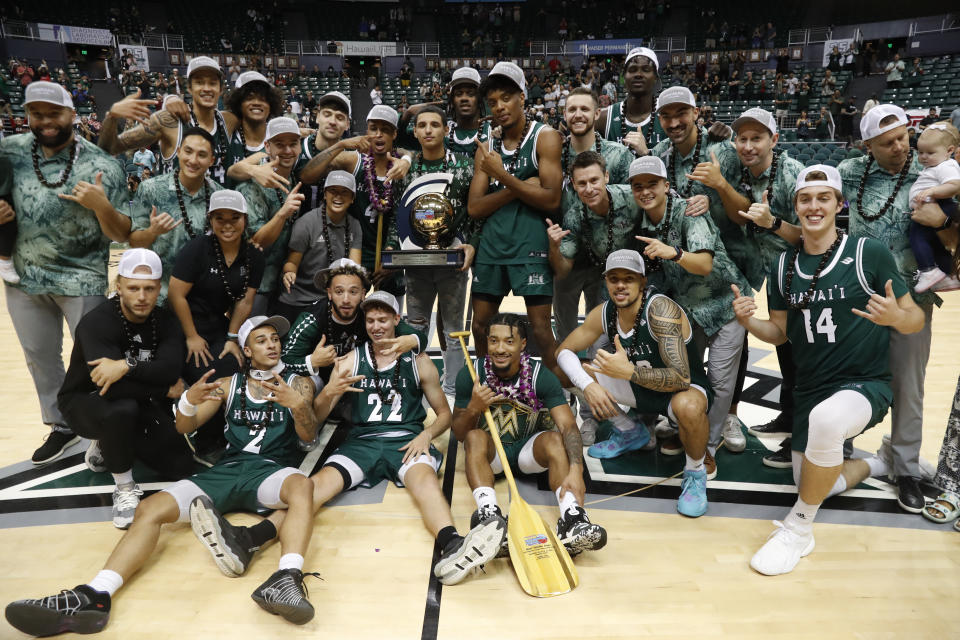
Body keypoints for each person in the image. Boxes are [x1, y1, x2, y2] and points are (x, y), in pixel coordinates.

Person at [4, 316, 324, 635]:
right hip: (228, 470)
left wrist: (298, 406)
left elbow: (308, 439)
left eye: (275, 339)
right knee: (149, 508)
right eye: (262, 340)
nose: (272, 344)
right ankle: (95, 595)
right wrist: (187, 402)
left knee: (302, 486)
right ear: (247, 351)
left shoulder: (299, 384)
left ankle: (287, 577)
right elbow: (185, 427)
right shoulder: (229, 385)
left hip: (271, 471)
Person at [193, 291, 507, 587]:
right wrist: (331, 391)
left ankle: (452, 543)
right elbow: (315, 418)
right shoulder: (348, 361)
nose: (376, 326)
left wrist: (426, 434)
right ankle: (249, 539)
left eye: (383, 319)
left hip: (406, 438)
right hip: (361, 443)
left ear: (397, 320)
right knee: (313, 489)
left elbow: (444, 415)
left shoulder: (419, 360)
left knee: (424, 482)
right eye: (370, 320)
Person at [731, 164, 924, 575]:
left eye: (824, 198)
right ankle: (879, 463)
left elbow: (915, 320)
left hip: (864, 384)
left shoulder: (867, 253)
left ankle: (798, 530)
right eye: (806, 199)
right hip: (811, 389)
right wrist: (749, 323)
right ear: (795, 206)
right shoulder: (782, 266)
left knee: (826, 425)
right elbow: (779, 334)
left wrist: (894, 317)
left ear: (839, 204)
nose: (814, 206)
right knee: (816, 483)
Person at [1, 81, 130, 465]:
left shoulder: (101, 164)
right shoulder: (9, 152)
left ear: (72, 115)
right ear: (26, 117)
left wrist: (101, 205)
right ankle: (61, 425)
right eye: (37, 114)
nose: (46, 121)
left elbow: (123, 232)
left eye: (54, 113)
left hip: (83, 278)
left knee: (94, 359)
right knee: (40, 356)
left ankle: (102, 427)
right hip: (24, 277)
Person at [838, 104, 947, 513]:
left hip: (912, 300)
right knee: (847, 377)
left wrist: (943, 221)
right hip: (859, 298)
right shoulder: (851, 172)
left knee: (908, 387)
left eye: (903, 136)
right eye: (887, 142)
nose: (900, 146)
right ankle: (840, 445)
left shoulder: (930, 172)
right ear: (868, 146)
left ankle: (905, 469)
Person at [557, 249, 714, 517]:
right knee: (571, 372)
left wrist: (629, 372)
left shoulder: (661, 309)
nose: (620, 285)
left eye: (628, 279)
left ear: (642, 281)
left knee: (687, 406)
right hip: (637, 384)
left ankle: (695, 473)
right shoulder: (604, 312)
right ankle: (630, 430)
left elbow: (681, 377)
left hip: (681, 391)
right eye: (613, 278)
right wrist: (589, 385)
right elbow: (563, 352)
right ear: (605, 281)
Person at [626, 154, 749, 474]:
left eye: (652, 184)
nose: (645, 191)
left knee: (721, 383)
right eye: (638, 186)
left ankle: (707, 447)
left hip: (727, 304)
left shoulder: (689, 212)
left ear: (667, 185)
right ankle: (689, 432)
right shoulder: (641, 222)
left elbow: (704, 263)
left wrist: (674, 252)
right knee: (689, 379)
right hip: (688, 311)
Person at [58, 249, 193, 528]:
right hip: (86, 401)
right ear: (118, 287)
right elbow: (110, 388)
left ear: (159, 289)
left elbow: (169, 369)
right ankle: (124, 487)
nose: (141, 296)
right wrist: (160, 390)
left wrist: (126, 365)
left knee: (180, 464)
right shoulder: (96, 323)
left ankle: (111, 444)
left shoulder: (165, 320)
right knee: (121, 408)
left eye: (149, 288)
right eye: (133, 288)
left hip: (137, 398)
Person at [453, 313, 606, 555]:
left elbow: (567, 426)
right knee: (474, 437)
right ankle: (490, 516)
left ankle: (572, 519)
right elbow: (460, 434)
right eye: (493, 341)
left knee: (555, 439)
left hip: (527, 453)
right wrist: (473, 408)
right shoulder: (471, 375)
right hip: (491, 455)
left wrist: (577, 471)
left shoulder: (541, 376)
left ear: (523, 344)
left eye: (508, 342)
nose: (500, 348)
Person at [468, 62, 563, 371]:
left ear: (523, 97)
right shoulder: (487, 146)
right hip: (492, 248)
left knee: (539, 330)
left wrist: (501, 176)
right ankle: (491, 387)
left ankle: (555, 396)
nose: (499, 107)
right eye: (493, 102)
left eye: (506, 98)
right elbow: (475, 207)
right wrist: (518, 185)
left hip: (530, 247)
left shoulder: (544, 137)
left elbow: (551, 198)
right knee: (480, 327)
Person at [725, 108, 804, 460]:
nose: (748, 146)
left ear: (774, 139)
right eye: (742, 139)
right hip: (763, 270)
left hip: (799, 272)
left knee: (800, 356)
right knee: (784, 350)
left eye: (757, 138)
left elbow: (812, 237)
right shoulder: (737, 170)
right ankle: (788, 415)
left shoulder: (792, 174)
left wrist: (773, 223)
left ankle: (802, 436)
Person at [168, 190, 264, 462]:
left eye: (235, 217)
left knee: (236, 366)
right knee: (208, 372)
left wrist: (232, 337)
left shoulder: (254, 256)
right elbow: (176, 295)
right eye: (219, 217)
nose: (227, 224)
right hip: (182, 324)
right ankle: (205, 442)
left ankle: (229, 433)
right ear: (210, 219)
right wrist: (191, 337)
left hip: (217, 324)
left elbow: (245, 301)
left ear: (245, 219)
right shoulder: (197, 249)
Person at [395, 106, 476, 398]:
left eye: (434, 125)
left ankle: (453, 389)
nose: (428, 130)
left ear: (445, 129)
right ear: (415, 132)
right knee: (415, 327)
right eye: (422, 125)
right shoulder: (405, 167)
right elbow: (397, 213)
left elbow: (473, 211)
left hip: (453, 259)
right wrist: (395, 248)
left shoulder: (465, 166)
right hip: (415, 260)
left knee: (454, 329)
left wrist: (469, 242)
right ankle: (415, 386)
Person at [298, 104, 413, 298]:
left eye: (385, 130)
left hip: (389, 255)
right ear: (366, 130)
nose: (378, 135)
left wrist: (407, 158)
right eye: (373, 128)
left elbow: (404, 218)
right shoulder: (353, 160)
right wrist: (340, 145)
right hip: (353, 252)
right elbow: (307, 176)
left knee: (388, 315)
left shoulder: (401, 168)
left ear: (394, 134)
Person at [279, 258, 424, 386]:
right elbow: (284, 361)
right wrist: (312, 362)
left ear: (363, 294)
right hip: (321, 383)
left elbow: (419, 338)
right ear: (329, 293)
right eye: (339, 292)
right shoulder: (311, 319)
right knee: (303, 386)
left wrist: (411, 340)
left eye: (353, 292)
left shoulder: (370, 315)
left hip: (361, 381)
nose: (346, 300)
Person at [99, 57, 238, 185]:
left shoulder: (228, 120)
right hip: (175, 209)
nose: (207, 88)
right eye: (199, 82)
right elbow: (110, 147)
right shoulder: (167, 120)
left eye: (213, 83)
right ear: (189, 88)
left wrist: (169, 98)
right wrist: (112, 117)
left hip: (218, 209)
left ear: (221, 89)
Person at [128, 128, 223, 301]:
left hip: (204, 300)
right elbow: (134, 242)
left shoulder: (220, 197)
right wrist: (152, 232)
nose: (193, 160)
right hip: (159, 297)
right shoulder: (151, 190)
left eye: (202, 155)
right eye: (188, 151)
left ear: (212, 160)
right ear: (178, 152)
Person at [236, 117, 307, 314]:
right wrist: (282, 213)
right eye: (279, 144)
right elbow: (257, 241)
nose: (287, 150)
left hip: (286, 282)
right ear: (267, 146)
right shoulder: (250, 186)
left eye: (292, 144)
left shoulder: (294, 177)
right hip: (256, 285)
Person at [275, 171, 362, 325]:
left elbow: (354, 268)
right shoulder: (306, 223)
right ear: (325, 194)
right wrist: (289, 273)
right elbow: (292, 262)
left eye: (344, 192)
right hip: (298, 299)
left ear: (353, 198)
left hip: (332, 299)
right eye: (333, 191)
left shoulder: (354, 225)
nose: (338, 196)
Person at [907, 122, 960, 292]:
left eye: (930, 153)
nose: (923, 157)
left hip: (940, 206)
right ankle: (947, 276)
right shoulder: (935, 165)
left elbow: (954, 185)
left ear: (949, 151)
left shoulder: (947, 165)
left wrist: (933, 191)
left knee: (917, 238)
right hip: (934, 207)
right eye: (920, 152)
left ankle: (928, 271)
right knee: (936, 245)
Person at [398, 66, 486, 156]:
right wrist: (408, 113)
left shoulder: (493, 132)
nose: (464, 98)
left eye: (470, 93)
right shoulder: (439, 131)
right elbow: (398, 139)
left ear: (479, 98)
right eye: (458, 94)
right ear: (452, 100)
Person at [597, 47, 666, 155]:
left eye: (646, 70)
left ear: (656, 78)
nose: (638, 74)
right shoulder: (603, 118)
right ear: (624, 77)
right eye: (632, 70)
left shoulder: (668, 116)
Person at [224, 71, 285, 174]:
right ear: (238, 103)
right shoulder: (227, 135)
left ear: (271, 105)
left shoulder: (278, 140)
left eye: (263, 99)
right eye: (249, 98)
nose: (257, 103)